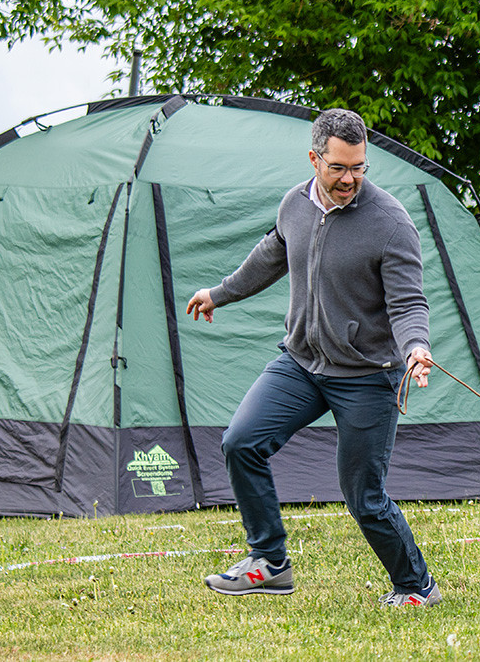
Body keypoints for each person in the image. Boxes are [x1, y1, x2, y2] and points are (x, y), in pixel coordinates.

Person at [186, 108, 441, 607]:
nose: (349, 180)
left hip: (368, 375)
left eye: (359, 168)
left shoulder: (391, 223)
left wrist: (416, 347)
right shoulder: (294, 205)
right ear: (314, 158)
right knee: (241, 442)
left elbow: (409, 302)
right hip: (301, 362)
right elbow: (271, 254)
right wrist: (220, 293)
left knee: (364, 497)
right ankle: (270, 561)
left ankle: (416, 587)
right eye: (338, 168)